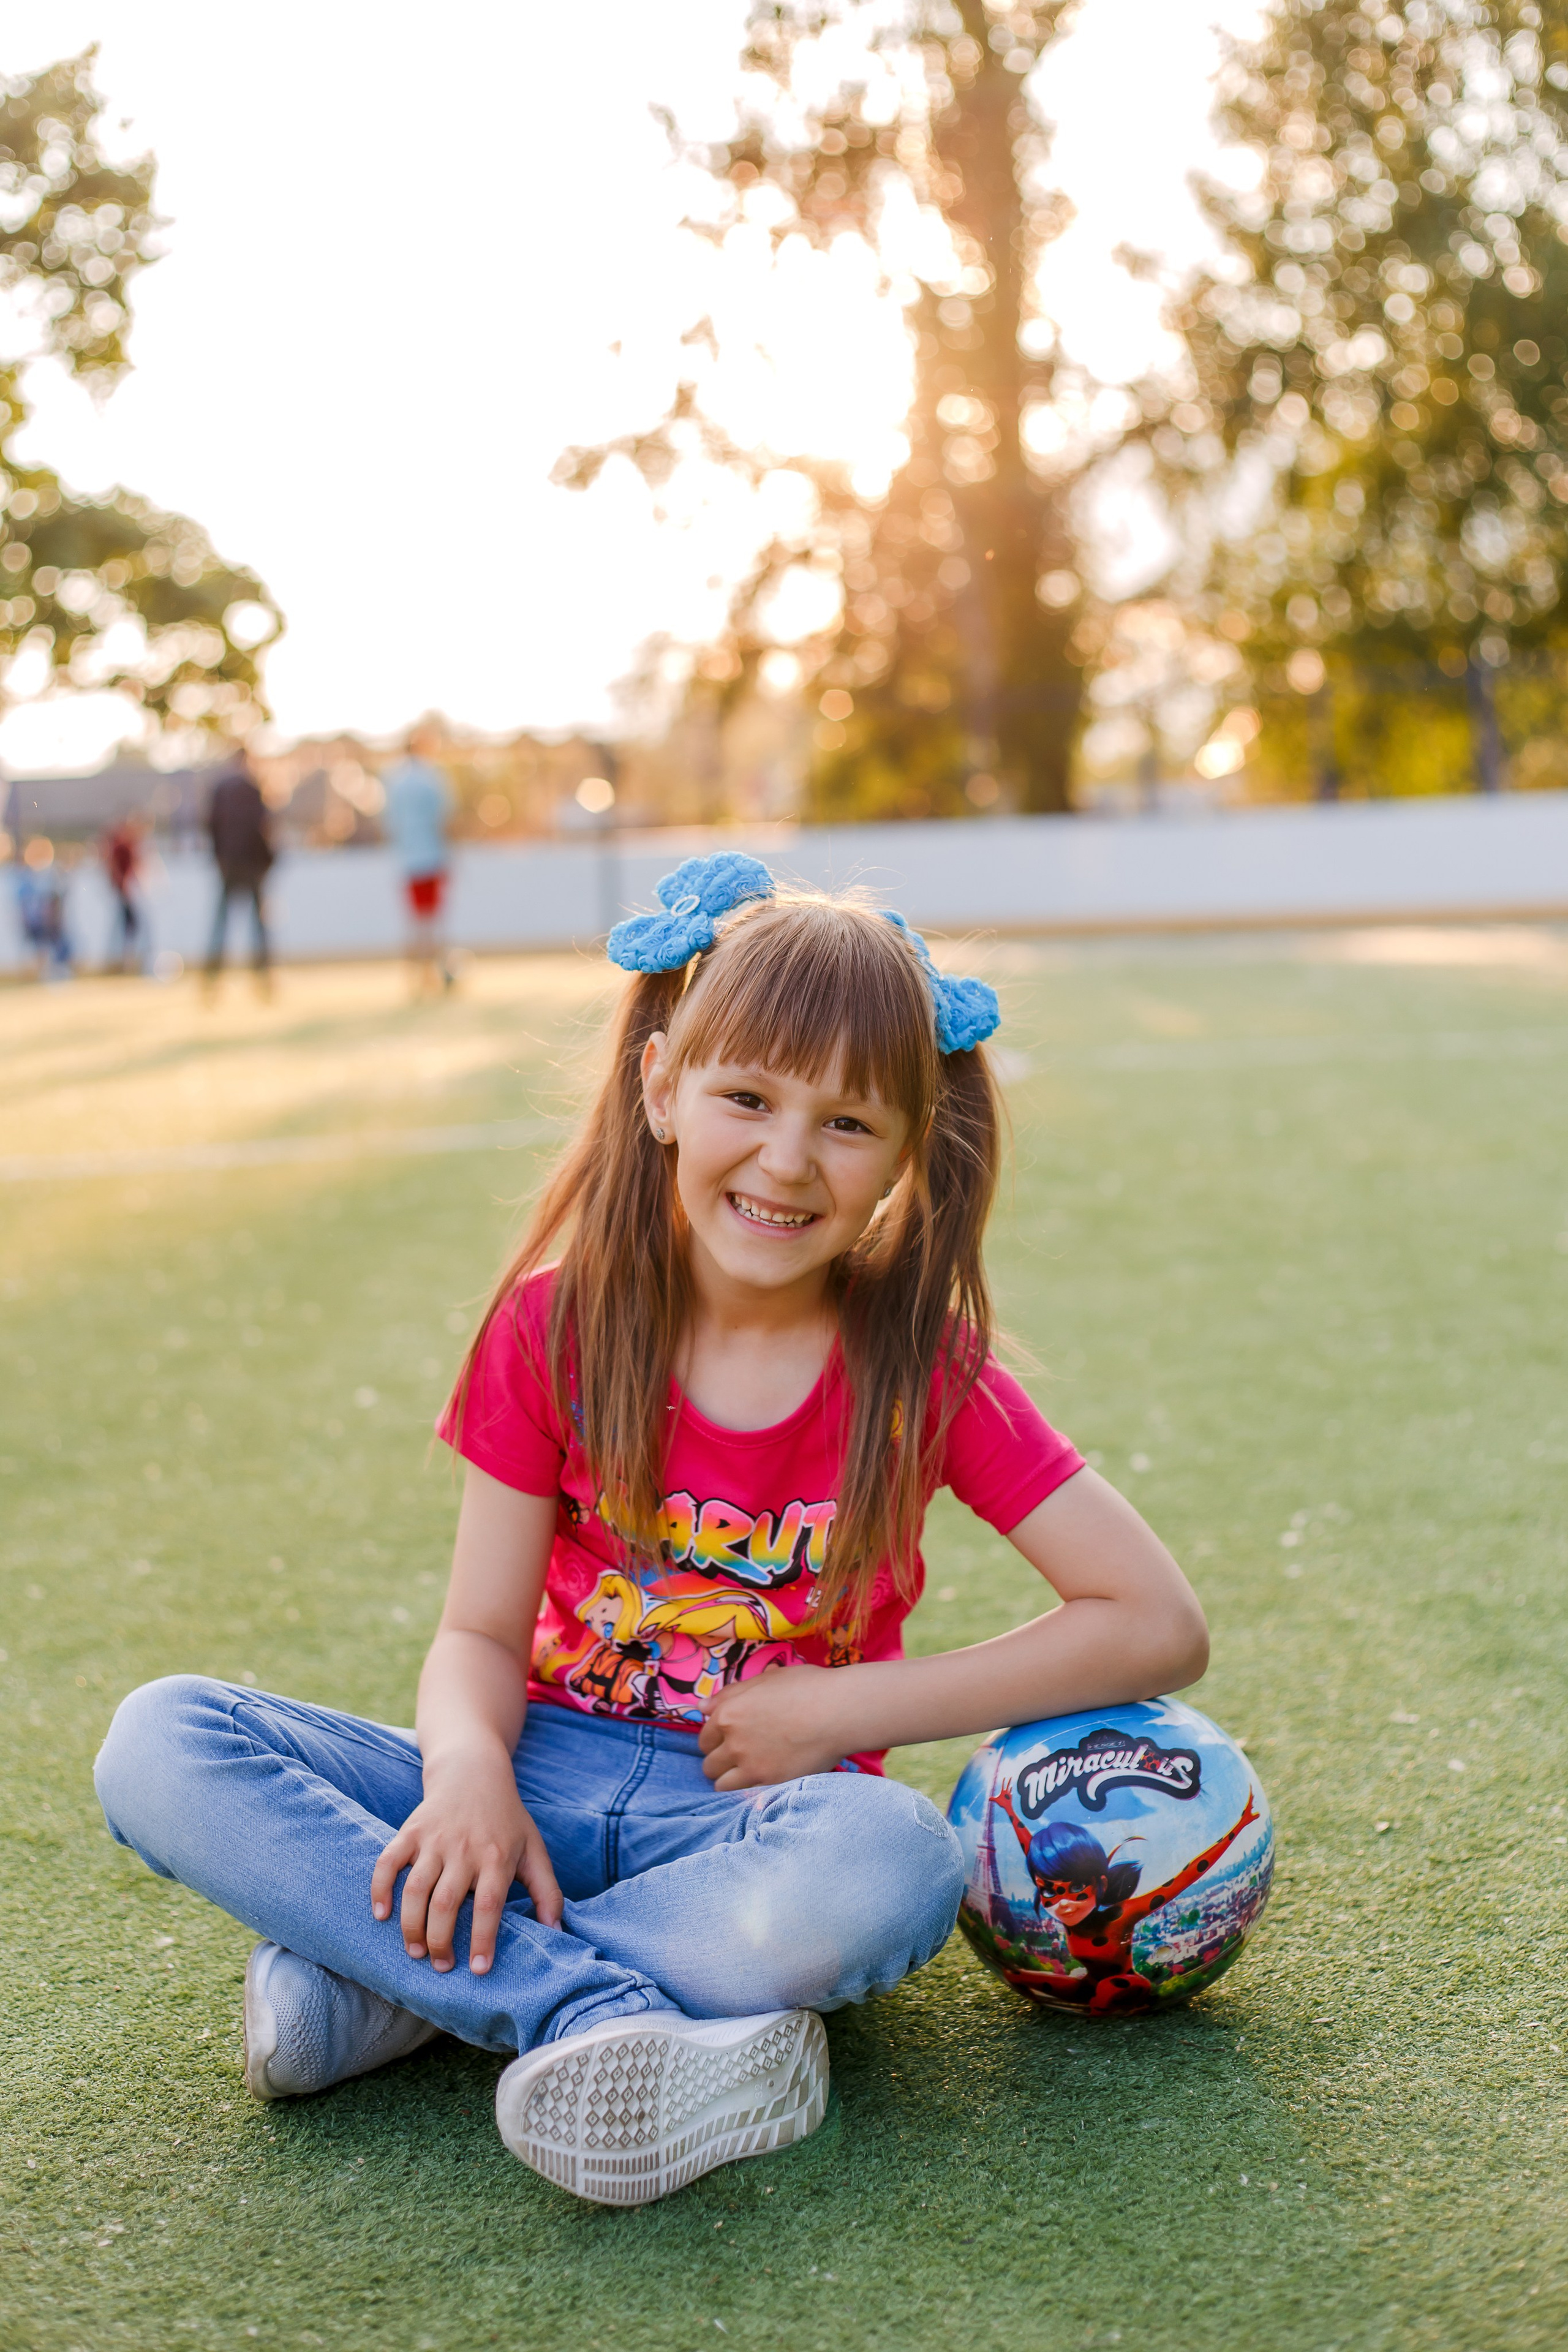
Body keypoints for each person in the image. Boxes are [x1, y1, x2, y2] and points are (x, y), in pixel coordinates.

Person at [92, 854, 1209, 2207]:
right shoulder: (551, 1328)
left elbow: (1152, 1624)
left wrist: (841, 1708)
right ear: (662, 1085)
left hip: (750, 1832)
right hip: (528, 1789)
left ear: (908, 1149)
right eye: (747, 1098)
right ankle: (577, 2006)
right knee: (160, 1738)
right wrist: (462, 1778)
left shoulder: (926, 1369)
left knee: (898, 1862)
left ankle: (406, 1991)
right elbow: (478, 1631)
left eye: (846, 1124)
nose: (786, 1161)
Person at [382, 721, 455, 994]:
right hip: (431, 858)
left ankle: (416, 978)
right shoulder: (432, 778)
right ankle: (431, 977)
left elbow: (390, 822)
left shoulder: (394, 780)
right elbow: (444, 818)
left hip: (407, 860)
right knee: (432, 923)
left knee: (414, 923)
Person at [204, 748, 274, 992]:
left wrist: (218, 859)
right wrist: (268, 861)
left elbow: (210, 826)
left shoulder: (220, 789)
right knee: (258, 924)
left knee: (222, 923)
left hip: (230, 863)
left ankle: (211, 978)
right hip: (251, 864)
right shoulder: (252, 788)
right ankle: (263, 977)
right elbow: (262, 828)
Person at [100, 817, 146, 973]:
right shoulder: (120, 846)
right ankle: (123, 961)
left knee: (126, 925)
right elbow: (116, 868)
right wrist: (123, 885)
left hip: (125, 890)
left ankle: (124, 960)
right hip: (124, 891)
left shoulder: (124, 846)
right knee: (129, 925)